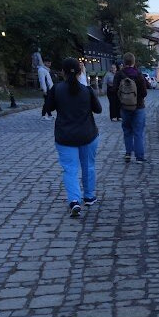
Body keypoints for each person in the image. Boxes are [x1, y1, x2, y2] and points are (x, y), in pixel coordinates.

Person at [44, 57, 102, 218]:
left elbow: (48, 108)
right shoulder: (87, 90)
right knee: (88, 166)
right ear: (80, 71)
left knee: (70, 169)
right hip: (88, 134)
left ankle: (74, 201)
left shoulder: (56, 89)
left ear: (62, 72)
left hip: (65, 137)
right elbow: (98, 110)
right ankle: (89, 196)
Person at [113, 52, 147, 162]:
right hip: (138, 107)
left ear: (124, 62)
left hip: (124, 107)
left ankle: (128, 153)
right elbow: (144, 93)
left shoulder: (118, 75)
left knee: (127, 130)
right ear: (133, 62)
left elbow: (114, 90)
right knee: (138, 132)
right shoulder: (138, 74)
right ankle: (139, 157)